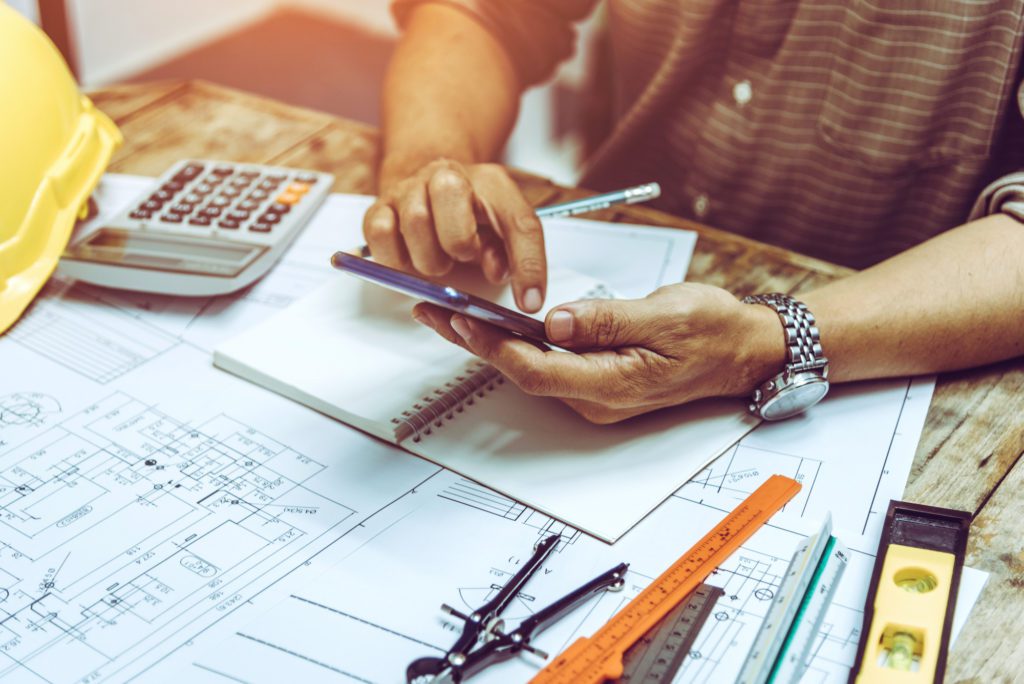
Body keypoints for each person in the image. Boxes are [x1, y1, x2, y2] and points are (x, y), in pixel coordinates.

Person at [363, 1, 1024, 424]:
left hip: (903, 341)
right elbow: (485, 14)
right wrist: (429, 157)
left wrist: (762, 346)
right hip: (617, 255)